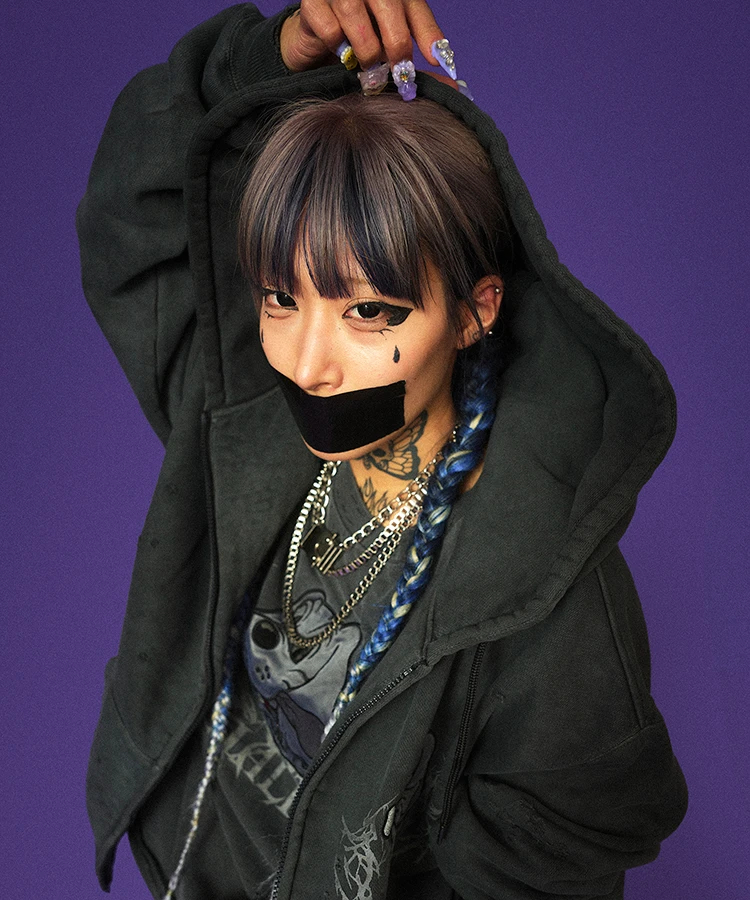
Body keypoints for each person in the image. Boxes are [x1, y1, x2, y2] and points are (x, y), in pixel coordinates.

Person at [77, 2, 688, 899]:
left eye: (369, 312)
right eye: (281, 298)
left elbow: (555, 858)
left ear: (475, 312)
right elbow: (132, 216)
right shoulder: (244, 407)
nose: (307, 365)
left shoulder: (547, 594)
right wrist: (269, 58)